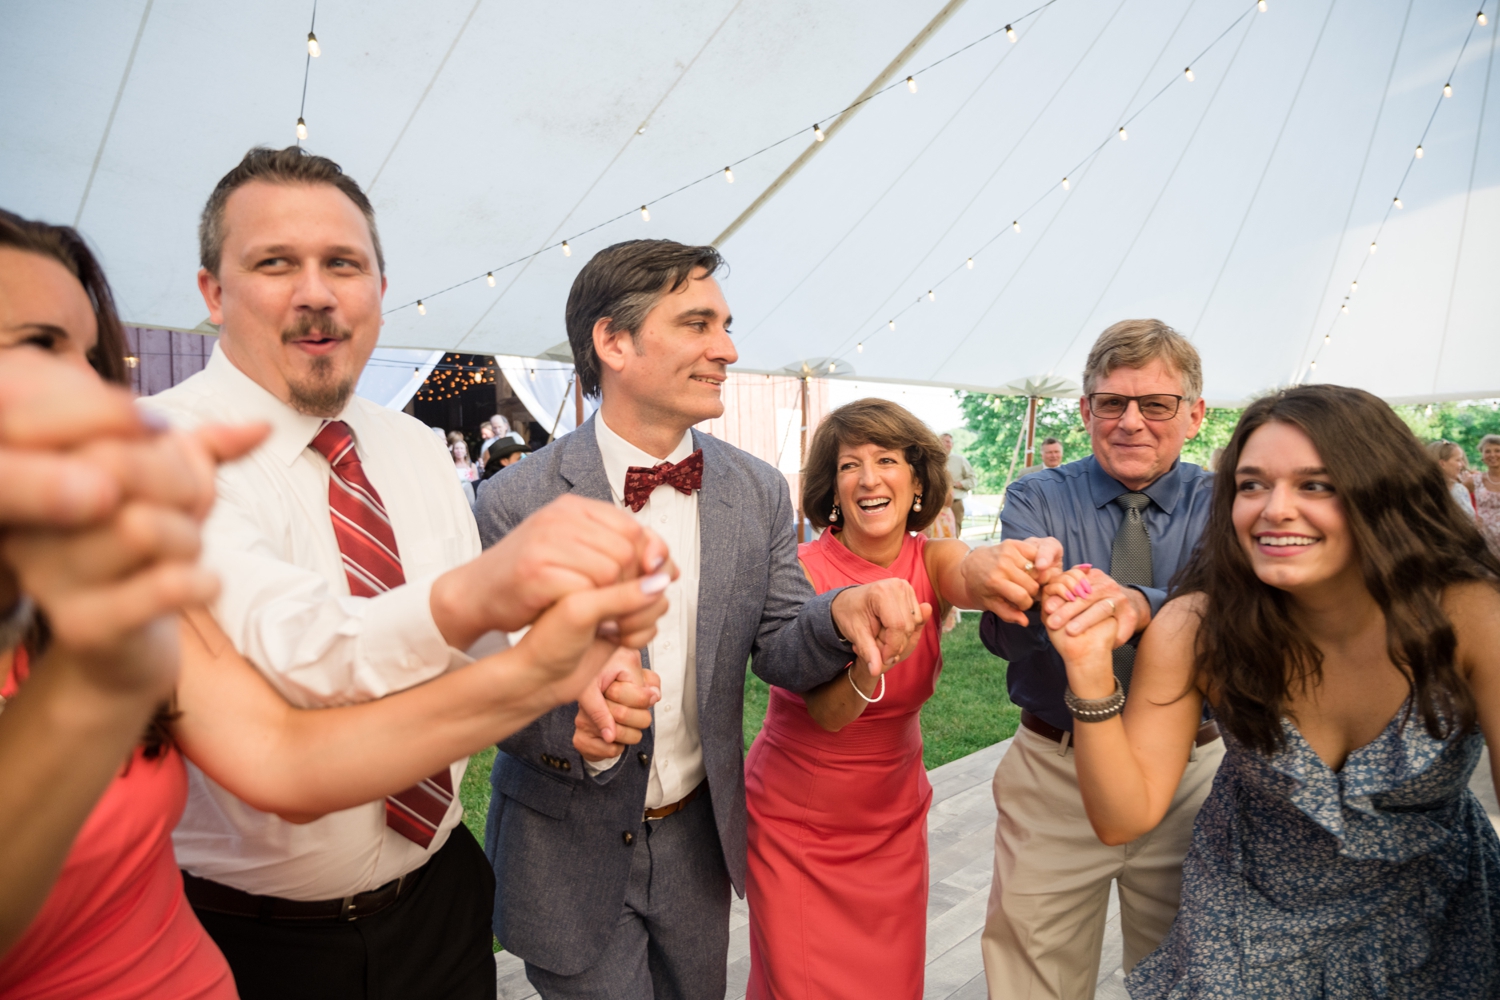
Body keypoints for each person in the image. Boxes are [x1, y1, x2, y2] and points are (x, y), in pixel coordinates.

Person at [0, 208, 672, 999]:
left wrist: (546, 670)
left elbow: (283, 756)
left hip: (430, 899)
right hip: (261, 934)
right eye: (40, 345)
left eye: (87, 355)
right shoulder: (167, 450)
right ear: (213, 291)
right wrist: (481, 597)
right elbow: (304, 651)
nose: (82, 385)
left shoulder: (412, 446)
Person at [472, 239, 931, 999]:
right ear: (613, 341)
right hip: (565, 847)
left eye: (724, 324)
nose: (727, 348)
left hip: (698, 842)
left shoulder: (753, 489)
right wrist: (572, 731)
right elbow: (482, 678)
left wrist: (837, 612)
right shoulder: (514, 502)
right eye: (698, 324)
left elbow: (782, 643)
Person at [1043, 384, 1500, 997]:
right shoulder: (1194, 626)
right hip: (1246, 929)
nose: (1273, 509)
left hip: (1440, 926)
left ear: (1382, 493)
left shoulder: (1470, 617)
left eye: (1316, 485)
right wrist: (1090, 669)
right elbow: (1125, 817)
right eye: (1252, 485)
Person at [977, 319, 1224, 999]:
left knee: (1188, 977)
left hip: (1194, 779)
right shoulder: (1037, 496)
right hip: (1055, 772)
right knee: (1032, 978)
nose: (1131, 421)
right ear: (1086, 411)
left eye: (1156, 404)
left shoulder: (1226, 504)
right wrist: (1027, 601)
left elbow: (1234, 618)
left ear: (1195, 415)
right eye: (1111, 402)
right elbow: (1005, 636)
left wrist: (1137, 604)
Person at [744, 398, 1024, 997]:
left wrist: (1004, 567)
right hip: (798, 821)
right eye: (850, 465)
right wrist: (871, 669)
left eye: (887, 459)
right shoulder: (800, 572)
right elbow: (827, 713)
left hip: (893, 819)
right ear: (833, 487)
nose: (869, 478)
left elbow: (969, 574)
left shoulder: (935, 559)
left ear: (918, 481)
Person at [940, 432, 976, 535]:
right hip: (935, 504)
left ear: (952, 445)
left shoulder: (960, 460)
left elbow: (973, 480)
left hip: (955, 504)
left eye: (948, 442)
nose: (945, 444)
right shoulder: (932, 460)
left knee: (953, 534)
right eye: (942, 441)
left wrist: (959, 484)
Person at [1428, 440, 1475, 518]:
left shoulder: (1461, 489)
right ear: (1442, 463)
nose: (1463, 464)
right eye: (1458, 460)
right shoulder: (1426, 492)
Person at [1475, 434, 1500, 557]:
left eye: (1497, 450)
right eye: (1487, 451)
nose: (1492, 455)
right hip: (1484, 542)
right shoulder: (1474, 480)